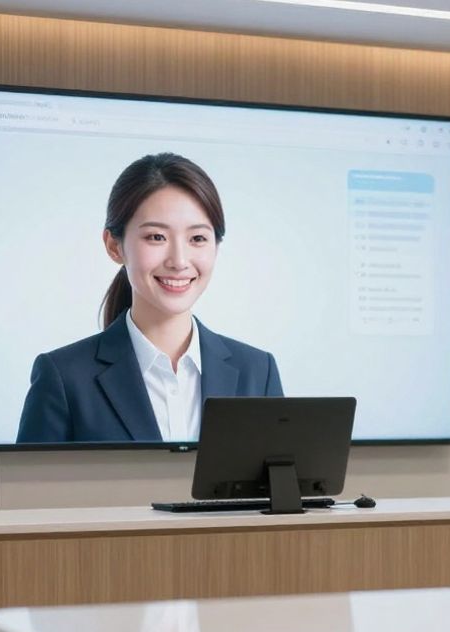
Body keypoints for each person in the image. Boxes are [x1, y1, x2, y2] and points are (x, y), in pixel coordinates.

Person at [17, 153, 283, 444]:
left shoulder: (258, 372)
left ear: (216, 247)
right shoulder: (64, 378)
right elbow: (30, 490)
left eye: (197, 239)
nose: (179, 261)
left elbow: (280, 487)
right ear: (114, 246)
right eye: (156, 237)